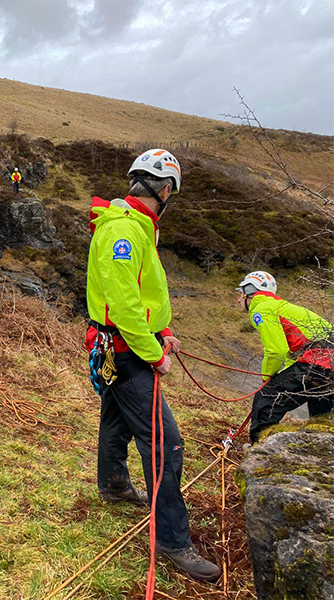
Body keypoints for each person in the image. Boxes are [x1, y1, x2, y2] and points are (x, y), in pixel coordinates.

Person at [85, 148, 221, 582]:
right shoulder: (125, 231)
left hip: (125, 347)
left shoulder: (134, 228)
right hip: (127, 352)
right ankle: (172, 541)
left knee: (116, 420)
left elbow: (138, 297)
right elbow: (124, 307)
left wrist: (160, 332)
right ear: (164, 190)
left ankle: (113, 485)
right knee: (166, 444)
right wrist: (155, 354)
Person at [236, 271, 333, 442]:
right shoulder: (283, 307)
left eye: (239, 294)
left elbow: (276, 351)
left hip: (317, 361)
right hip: (326, 363)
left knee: (267, 398)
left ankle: (258, 450)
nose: (237, 299)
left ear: (248, 292)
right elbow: (293, 354)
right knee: (321, 415)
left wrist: (267, 378)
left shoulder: (262, 309)